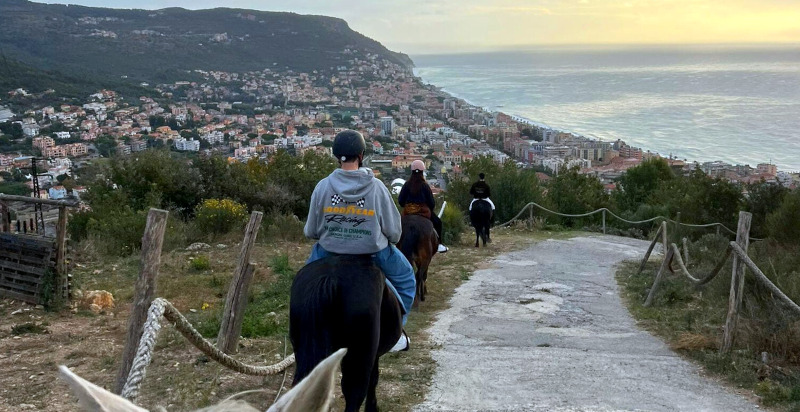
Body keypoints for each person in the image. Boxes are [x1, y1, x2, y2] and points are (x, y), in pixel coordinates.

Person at [304, 130, 414, 352]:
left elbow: (312, 230)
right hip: (373, 253)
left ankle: (308, 332)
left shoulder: (323, 186)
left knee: (306, 288)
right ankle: (395, 332)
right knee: (406, 279)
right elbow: (394, 231)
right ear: (361, 154)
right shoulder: (377, 188)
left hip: (329, 251)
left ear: (336, 155)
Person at [398, 160, 448, 253]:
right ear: (422, 172)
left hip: (408, 212)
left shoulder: (406, 185)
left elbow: (400, 201)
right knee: (438, 223)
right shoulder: (425, 186)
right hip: (423, 211)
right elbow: (431, 203)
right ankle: (440, 244)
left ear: (412, 172)